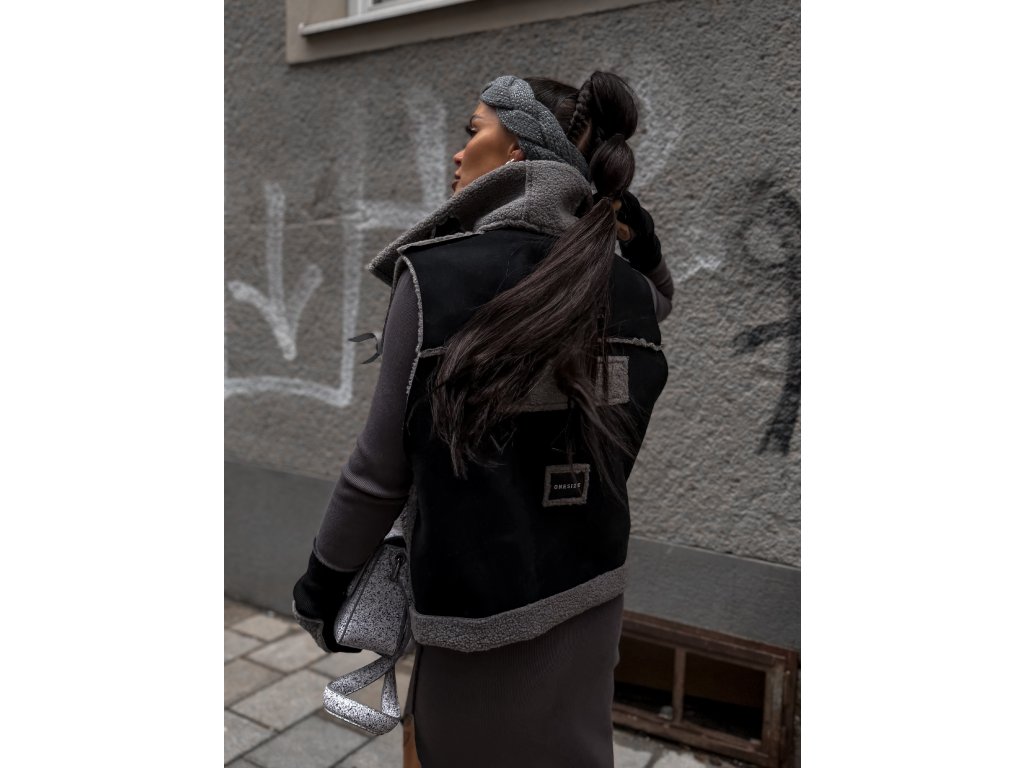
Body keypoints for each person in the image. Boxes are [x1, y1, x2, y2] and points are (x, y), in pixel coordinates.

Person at [292, 71, 674, 766]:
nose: (457, 151)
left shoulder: (433, 279)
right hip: (593, 595)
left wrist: (321, 585)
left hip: (473, 619)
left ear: (519, 149)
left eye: (473, 131)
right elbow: (659, 300)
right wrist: (641, 246)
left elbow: (377, 474)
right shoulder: (625, 291)